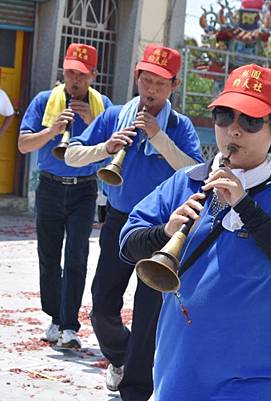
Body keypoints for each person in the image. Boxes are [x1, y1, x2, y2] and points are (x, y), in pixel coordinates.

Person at [119, 64, 271, 401]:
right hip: (180, 369)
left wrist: (245, 206)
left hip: (255, 375)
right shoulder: (185, 182)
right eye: (225, 116)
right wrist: (165, 232)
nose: (234, 131)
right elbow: (128, 244)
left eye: (251, 121)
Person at [64, 44, 203, 401]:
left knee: (148, 312)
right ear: (136, 78)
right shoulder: (116, 116)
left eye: (159, 82)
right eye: (145, 80)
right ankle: (124, 358)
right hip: (120, 221)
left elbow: (194, 170)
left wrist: (158, 136)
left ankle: (137, 388)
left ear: (173, 85)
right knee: (102, 305)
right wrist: (107, 148)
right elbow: (73, 154)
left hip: (164, 229)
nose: (150, 90)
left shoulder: (179, 125)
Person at [17, 43, 112, 349]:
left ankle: (70, 325)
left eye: (82, 75)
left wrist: (88, 123)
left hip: (84, 188)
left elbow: (116, 145)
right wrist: (52, 131)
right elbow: (23, 144)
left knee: (76, 256)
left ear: (92, 76)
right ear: (63, 70)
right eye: (70, 72)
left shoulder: (103, 105)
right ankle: (55, 318)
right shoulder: (46, 101)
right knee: (48, 254)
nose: (75, 80)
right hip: (50, 186)